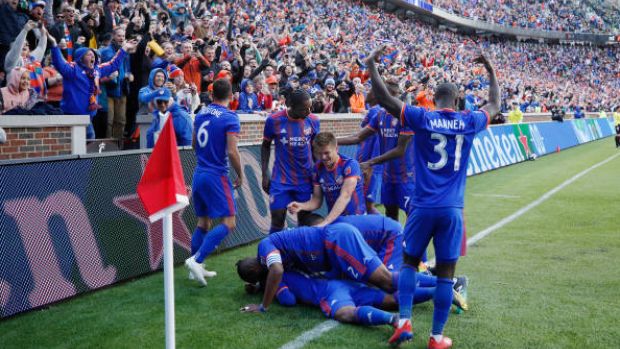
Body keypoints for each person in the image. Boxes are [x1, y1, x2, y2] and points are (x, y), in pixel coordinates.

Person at [367, 46, 500, 348]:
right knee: (446, 275)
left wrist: (372, 66)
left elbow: (386, 100)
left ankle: (403, 322)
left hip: (422, 206)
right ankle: (436, 337)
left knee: (410, 264)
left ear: (435, 99)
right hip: (452, 209)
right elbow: (494, 103)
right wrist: (490, 69)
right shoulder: (468, 121)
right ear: (456, 100)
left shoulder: (421, 117)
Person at [237, 223, 396, 313]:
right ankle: (407, 301)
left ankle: (413, 281)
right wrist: (259, 287)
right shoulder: (270, 255)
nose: (261, 280)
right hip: (332, 251)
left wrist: (263, 306)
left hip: (335, 243)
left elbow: (277, 271)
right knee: (376, 287)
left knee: (386, 282)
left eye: (257, 278)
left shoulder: (264, 248)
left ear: (254, 271)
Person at [185, 79, 243, 287]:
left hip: (199, 172)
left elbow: (193, 144)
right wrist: (241, 173)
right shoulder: (230, 117)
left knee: (204, 222)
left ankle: (195, 270)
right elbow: (231, 151)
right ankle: (196, 260)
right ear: (232, 96)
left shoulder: (201, 113)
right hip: (216, 175)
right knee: (229, 223)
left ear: (211, 95)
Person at [337, 82, 415, 222]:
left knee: (412, 217)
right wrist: (331, 141)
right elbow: (358, 137)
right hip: (388, 176)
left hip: (407, 177)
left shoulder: (406, 116)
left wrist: (370, 162)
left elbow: (400, 150)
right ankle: (395, 242)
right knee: (390, 215)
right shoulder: (380, 115)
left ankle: (410, 243)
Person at [48, 32, 134, 139]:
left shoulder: (97, 70)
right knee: (73, 146)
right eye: (89, 54)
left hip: (88, 118)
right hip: (72, 117)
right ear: (81, 58)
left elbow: (113, 64)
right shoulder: (72, 70)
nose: (93, 55)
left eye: (93, 54)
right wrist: (54, 44)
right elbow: (59, 63)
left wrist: (124, 48)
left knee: (89, 143)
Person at [261, 89, 319, 233]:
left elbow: (315, 149)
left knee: (304, 220)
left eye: (310, 108)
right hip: (281, 178)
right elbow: (265, 146)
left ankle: (301, 253)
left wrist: (318, 172)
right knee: (278, 218)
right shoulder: (274, 120)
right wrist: (264, 174)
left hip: (304, 179)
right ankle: (272, 253)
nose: (308, 111)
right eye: (304, 109)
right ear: (291, 105)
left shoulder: (313, 120)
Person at [287, 132, 365, 227]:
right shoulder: (317, 169)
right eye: (319, 153)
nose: (323, 157)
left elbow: (345, 196)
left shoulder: (350, 165)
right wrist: (301, 206)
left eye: (326, 153)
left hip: (357, 221)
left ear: (336, 148)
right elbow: (316, 201)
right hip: (335, 222)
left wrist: (326, 222)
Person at [100, 27, 133, 139]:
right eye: (119, 35)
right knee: (109, 122)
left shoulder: (126, 51)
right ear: (113, 36)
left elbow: (127, 68)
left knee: (121, 121)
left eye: (123, 36)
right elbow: (103, 69)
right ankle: (107, 149)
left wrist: (129, 75)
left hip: (122, 90)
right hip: (109, 91)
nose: (121, 38)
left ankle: (118, 148)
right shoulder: (105, 51)